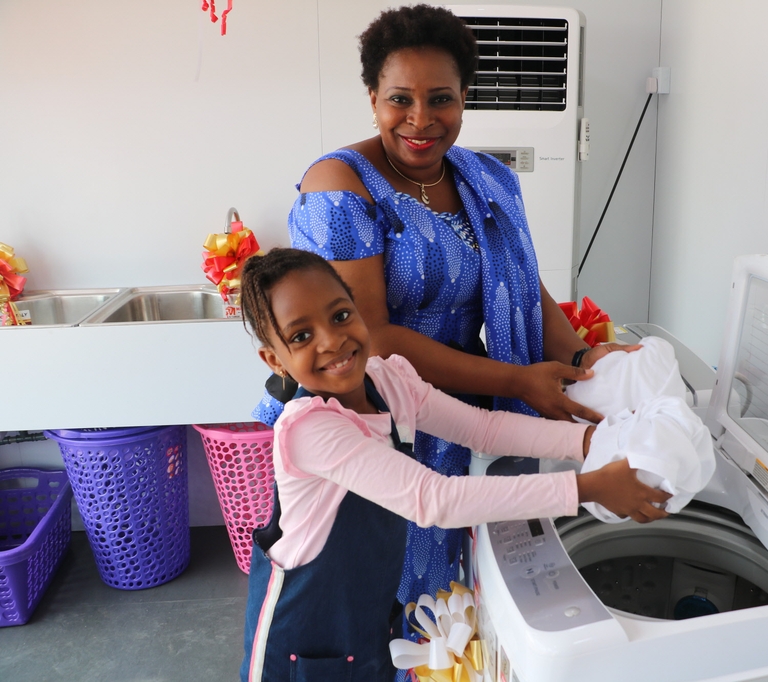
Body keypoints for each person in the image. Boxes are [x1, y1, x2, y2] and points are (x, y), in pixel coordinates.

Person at [253, 3, 639, 639]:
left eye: (442, 99)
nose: (421, 120)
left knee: (455, 603)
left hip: (458, 408)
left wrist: (579, 358)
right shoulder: (340, 187)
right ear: (372, 95)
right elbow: (368, 337)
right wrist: (518, 383)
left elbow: (520, 282)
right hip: (372, 413)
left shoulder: (487, 176)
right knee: (381, 602)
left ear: (466, 98)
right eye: (399, 98)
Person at [238, 248, 669, 682]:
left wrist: (593, 440)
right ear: (275, 360)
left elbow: (484, 429)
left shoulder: (388, 380)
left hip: (363, 623)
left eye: (339, 315)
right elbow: (434, 499)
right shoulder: (310, 428)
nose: (331, 341)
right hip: (298, 645)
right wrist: (588, 488)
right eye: (300, 337)